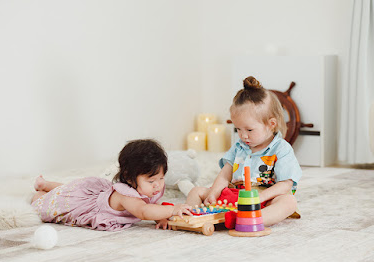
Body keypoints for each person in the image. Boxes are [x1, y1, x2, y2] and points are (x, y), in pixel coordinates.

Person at [186, 76, 302, 226]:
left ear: (271, 124)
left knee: (288, 202)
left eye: (249, 129)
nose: (243, 135)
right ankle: (193, 216)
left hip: (265, 199)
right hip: (236, 196)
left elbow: (286, 184)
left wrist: (260, 197)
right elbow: (224, 176)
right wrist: (213, 193)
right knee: (196, 191)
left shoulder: (282, 149)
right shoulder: (239, 147)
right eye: (238, 129)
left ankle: (251, 220)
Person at [31, 139, 193, 231]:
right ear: (129, 178)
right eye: (151, 181)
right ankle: (42, 191)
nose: (158, 186)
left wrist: (161, 217)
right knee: (56, 200)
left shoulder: (149, 188)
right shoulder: (125, 195)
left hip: (89, 194)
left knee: (70, 188)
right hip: (86, 205)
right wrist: (172, 209)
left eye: (161, 178)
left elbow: (150, 206)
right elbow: (143, 211)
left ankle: (46, 184)